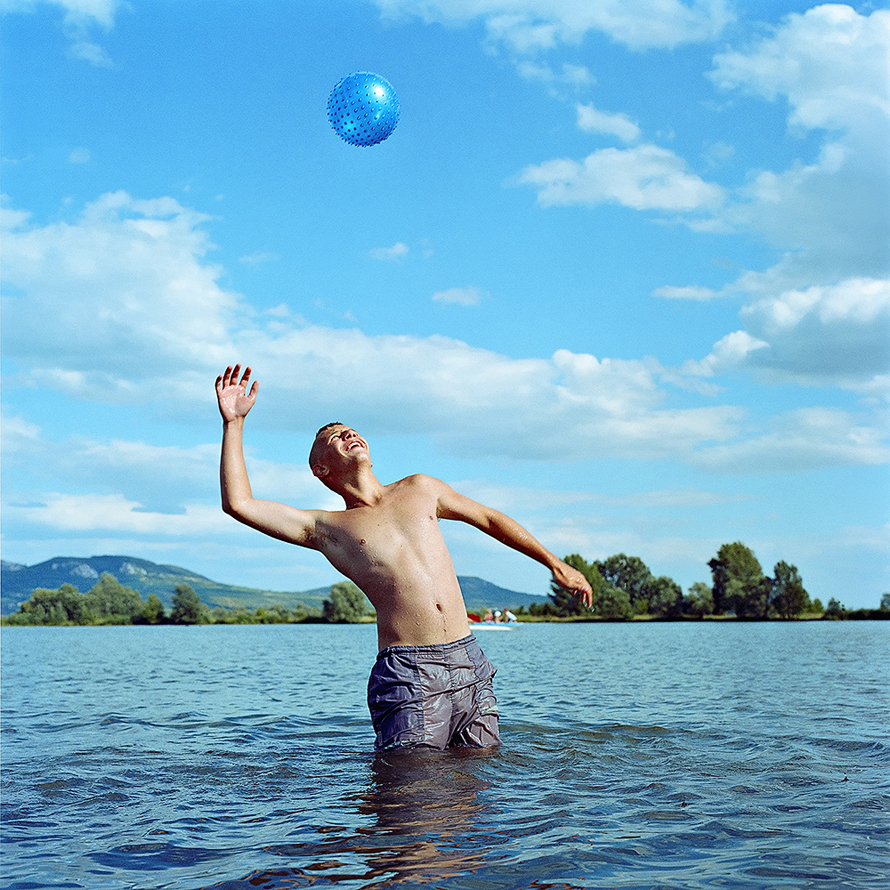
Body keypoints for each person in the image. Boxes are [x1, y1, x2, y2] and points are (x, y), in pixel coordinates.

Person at [215, 364, 593, 750]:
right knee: (411, 785)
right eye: (335, 437)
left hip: (469, 660)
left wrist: (554, 562)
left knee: (479, 778)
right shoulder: (327, 528)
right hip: (411, 671)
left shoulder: (420, 488)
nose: (348, 434)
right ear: (321, 468)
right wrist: (234, 424)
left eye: (352, 430)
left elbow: (490, 519)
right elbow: (239, 503)